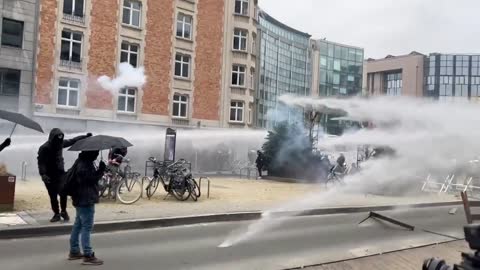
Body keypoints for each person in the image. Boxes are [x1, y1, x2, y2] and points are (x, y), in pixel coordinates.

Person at [37, 129, 92, 222]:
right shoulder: (44, 148)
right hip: (49, 176)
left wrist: (85, 136)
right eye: (57, 139)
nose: (59, 142)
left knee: (63, 193)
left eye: (61, 139)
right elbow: (41, 162)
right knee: (53, 196)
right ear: (52, 138)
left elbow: (73, 140)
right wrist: (43, 174)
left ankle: (63, 211)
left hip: (60, 174)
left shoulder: (60, 143)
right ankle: (56, 214)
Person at [69, 151, 105, 265]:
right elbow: (90, 180)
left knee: (78, 225)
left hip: (79, 198)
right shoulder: (85, 165)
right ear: (91, 153)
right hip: (86, 199)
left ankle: (74, 251)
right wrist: (101, 170)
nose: (97, 155)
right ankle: (88, 255)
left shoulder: (80, 162)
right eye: (96, 153)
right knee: (87, 227)